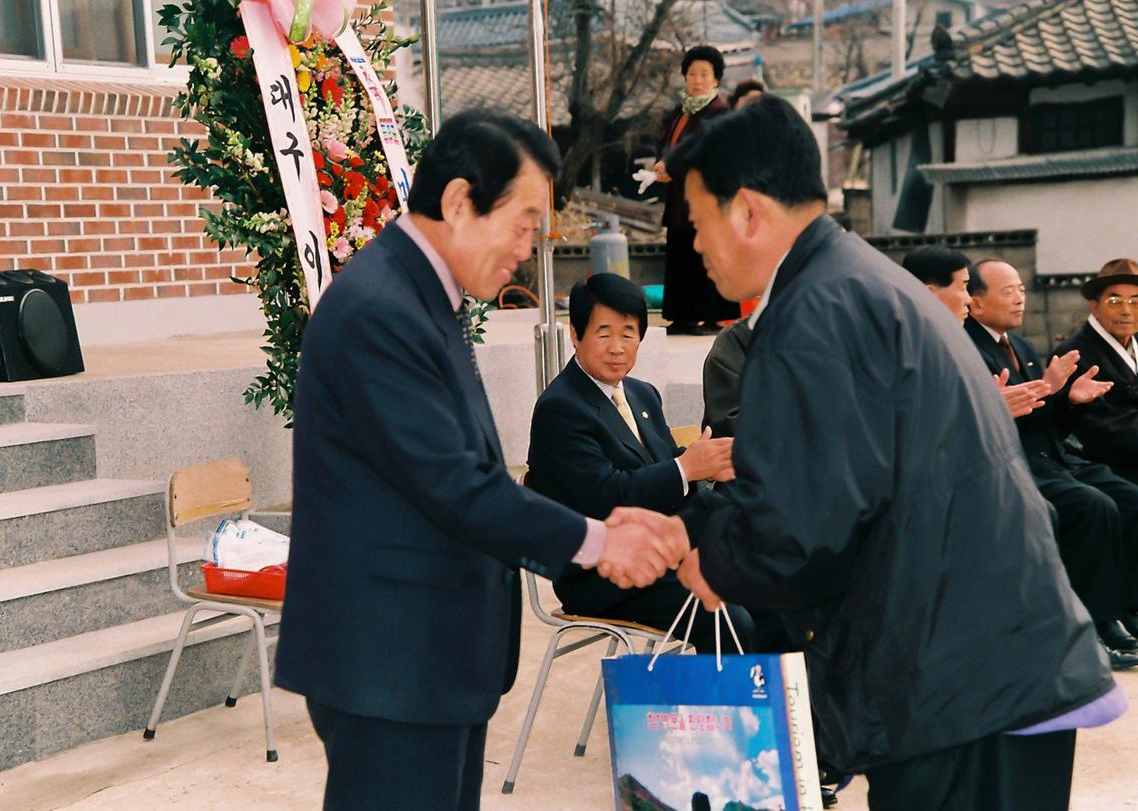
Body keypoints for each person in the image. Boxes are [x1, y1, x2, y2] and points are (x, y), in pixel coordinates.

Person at [611, 96, 1120, 810]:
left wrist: (705, 552)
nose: (691, 245)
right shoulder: (853, 282)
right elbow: (832, 483)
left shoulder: (814, 313)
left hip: (959, 688)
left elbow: (801, 525)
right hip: (981, 667)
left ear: (748, 212)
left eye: (696, 222)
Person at [275, 110, 685, 811]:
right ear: (461, 201)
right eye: (524, 223)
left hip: (430, 659)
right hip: (391, 663)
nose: (529, 248)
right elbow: (455, 484)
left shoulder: (424, 297)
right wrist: (597, 539)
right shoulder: (381, 309)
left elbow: (469, 475)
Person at [527, 273, 753, 652]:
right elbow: (603, 497)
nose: (617, 347)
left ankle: (778, 705)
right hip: (601, 573)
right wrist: (686, 468)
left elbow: (659, 469)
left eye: (629, 333)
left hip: (662, 553)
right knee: (729, 617)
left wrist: (702, 465)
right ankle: (731, 711)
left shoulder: (641, 393)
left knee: (773, 590)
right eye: (604, 333)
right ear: (575, 335)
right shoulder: (560, 408)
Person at [964, 258, 1138, 667]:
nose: (1020, 299)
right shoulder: (970, 349)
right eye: (1008, 291)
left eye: (1022, 289)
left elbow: (1048, 421)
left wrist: (1069, 400)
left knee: (1126, 496)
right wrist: (1049, 396)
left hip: (1053, 455)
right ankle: (1095, 623)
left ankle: (1118, 612)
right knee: (1093, 505)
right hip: (1015, 461)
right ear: (976, 303)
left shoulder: (1021, 346)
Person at [902, 245, 1051, 418]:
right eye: (962, 287)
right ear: (929, 294)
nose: (968, 299)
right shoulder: (907, 352)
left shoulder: (948, 346)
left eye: (1022, 291)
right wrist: (989, 411)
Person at [651, 45, 739, 335]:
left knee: (706, 255)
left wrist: (672, 167)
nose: (697, 79)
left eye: (704, 74)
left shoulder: (719, 113)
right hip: (679, 196)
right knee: (681, 255)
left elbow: (708, 154)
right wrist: (661, 165)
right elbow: (667, 146)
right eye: (692, 73)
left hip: (707, 196)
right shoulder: (681, 110)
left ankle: (711, 315)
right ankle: (683, 316)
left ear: (716, 79)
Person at [1054, 258, 1138, 486]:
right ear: (1094, 305)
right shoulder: (1074, 353)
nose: (1127, 311)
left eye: (1135, 301)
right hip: (1107, 466)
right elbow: (1102, 430)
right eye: (1115, 301)